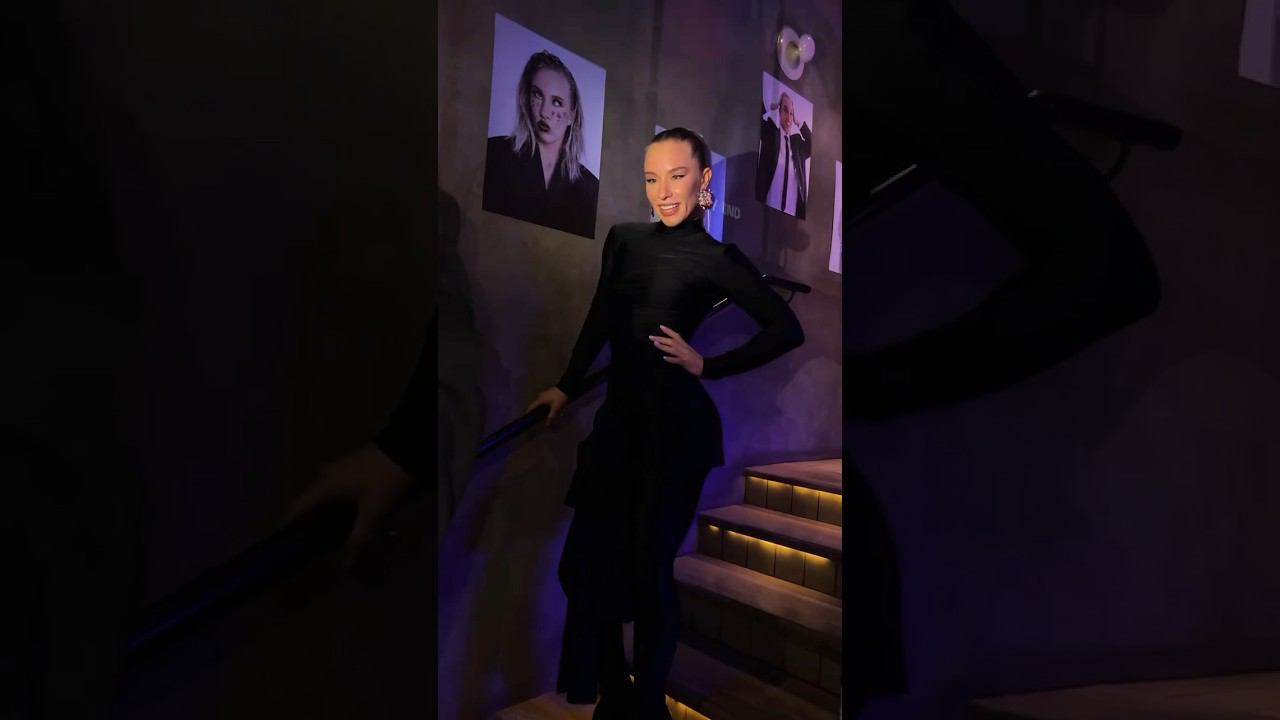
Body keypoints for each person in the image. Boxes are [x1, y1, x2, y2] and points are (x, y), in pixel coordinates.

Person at [527, 127, 804, 719]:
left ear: (703, 180)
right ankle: (616, 692)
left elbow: (786, 329)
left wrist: (708, 365)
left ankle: (646, 704)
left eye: (677, 176)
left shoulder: (718, 258)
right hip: (619, 428)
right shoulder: (625, 240)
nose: (663, 191)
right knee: (583, 568)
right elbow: (601, 318)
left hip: (676, 434)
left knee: (650, 575)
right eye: (652, 178)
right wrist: (567, 385)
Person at [483, 50, 600, 239]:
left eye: (557, 102)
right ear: (526, 97)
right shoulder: (495, 153)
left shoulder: (590, 187)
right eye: (537, 95)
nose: (545, 112)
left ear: (571, 115)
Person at [755, 92, 813, 218]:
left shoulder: (798, 145)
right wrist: (771, 107)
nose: (789, 117)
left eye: (791, 113)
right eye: (785, 111)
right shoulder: (771, 133)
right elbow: (755, 117)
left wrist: (799, 121)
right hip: (766, 213)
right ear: (779, 111)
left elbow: (813, 146)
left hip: (791, 218)